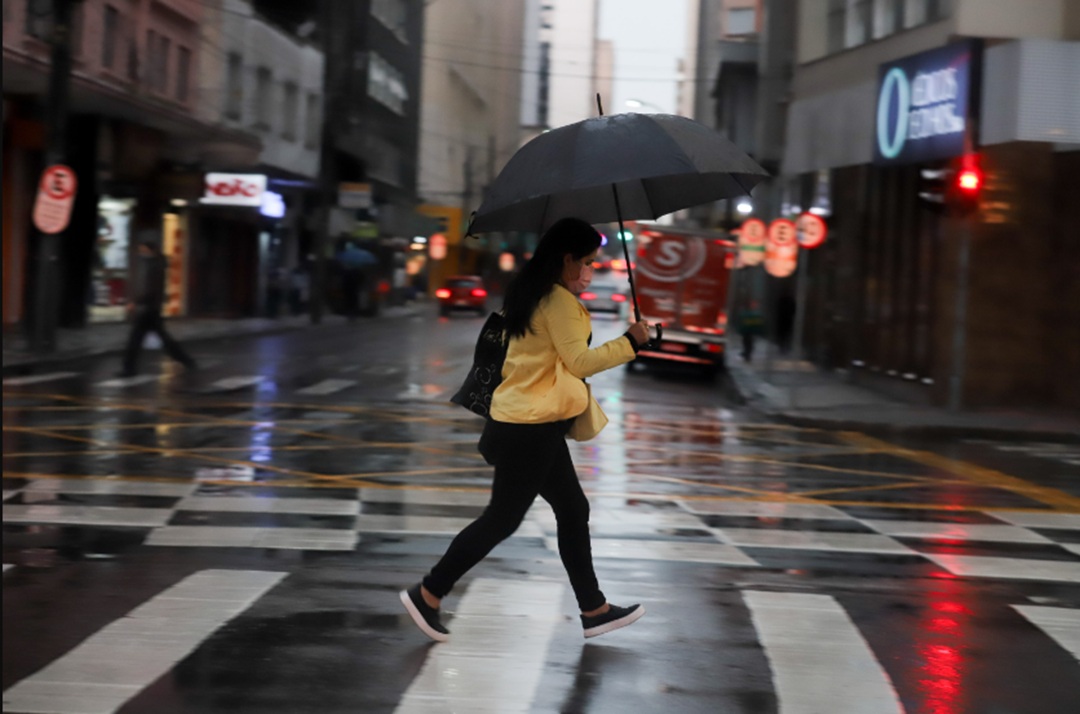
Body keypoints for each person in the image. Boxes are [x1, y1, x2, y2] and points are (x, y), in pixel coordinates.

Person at [400, 217, 651, 642]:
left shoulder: (534, 293)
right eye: (589, 262)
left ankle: (594, 608)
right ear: (568, 260)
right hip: (529, 428)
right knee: (502, 519)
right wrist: (631, 341)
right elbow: (580, 362)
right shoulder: (558, 301)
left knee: (572, 510)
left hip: (531, 424)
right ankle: (428, 593)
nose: (592, 270)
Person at [119, 241, 196, 377]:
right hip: (151, 309)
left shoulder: (155, 266)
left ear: (151, 250)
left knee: (136, 340)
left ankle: (129, 369)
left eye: (144, 250)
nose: (141, 253)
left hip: (149, 310)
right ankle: (187, 361)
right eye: (141, 250)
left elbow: (150, 290)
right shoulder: (155, 264)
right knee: (162, 340)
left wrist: (136, 302)